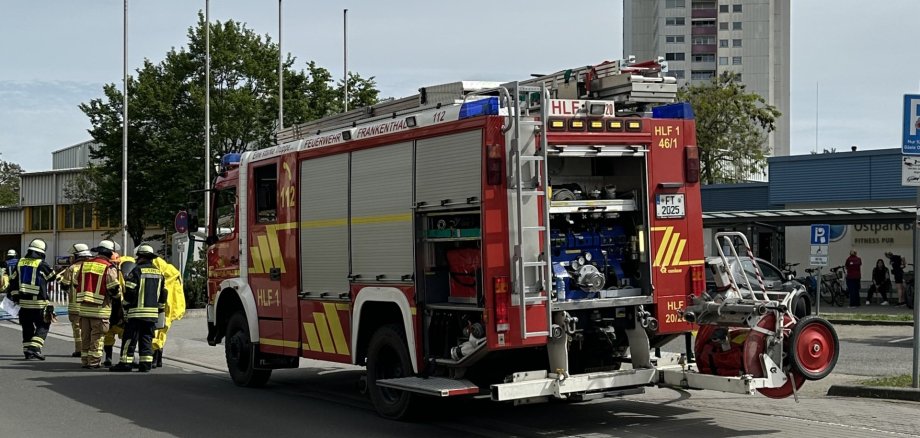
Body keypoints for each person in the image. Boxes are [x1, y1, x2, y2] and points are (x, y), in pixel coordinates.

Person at [110, 245, 166, 373]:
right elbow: (163, 294)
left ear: (140, 257)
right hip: (152, 314)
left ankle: (125, 363)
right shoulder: (159, 273)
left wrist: (125, 304)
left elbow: (130, 291)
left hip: (136, 313)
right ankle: (145, 364)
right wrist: (160, 310)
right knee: (146, 339)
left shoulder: (137, 271)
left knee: (130, 338)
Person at [76, 240, 122, 368]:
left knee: (85, 336)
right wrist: (119, 298)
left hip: (84, 308)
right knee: (97, 336)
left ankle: (85, 361)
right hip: (100, 309)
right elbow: (113, 289)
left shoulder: (85, 265)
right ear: (109, 253)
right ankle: (94, 362)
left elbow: (75, 283)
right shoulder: (108, 267)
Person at [7, 239, 55, 360]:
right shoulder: (41, 264)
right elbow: (52, 277)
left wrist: (15, 296)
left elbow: (12, 281)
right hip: (39, 303)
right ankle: (34, 348)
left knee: (27, 327)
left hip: (23, 304)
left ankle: (27, 352)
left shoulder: (20, 262)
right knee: (43, 325)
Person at [58, 243, 93, 357]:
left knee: (78, 329)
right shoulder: (95, 267)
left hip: (75, 305)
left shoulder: (72, 268)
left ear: (77, 256)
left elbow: (65, 285)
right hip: (92, 304)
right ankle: (93, 350)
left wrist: (59, 278)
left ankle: (80, 350)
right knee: (92, 329)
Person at [151, 256, 184, 368]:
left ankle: (154, 359)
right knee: (162, 332)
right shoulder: (173, 272)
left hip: (160, 306)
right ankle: (159, 359)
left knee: (155, 332)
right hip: (171, 307)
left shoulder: (159, 273)